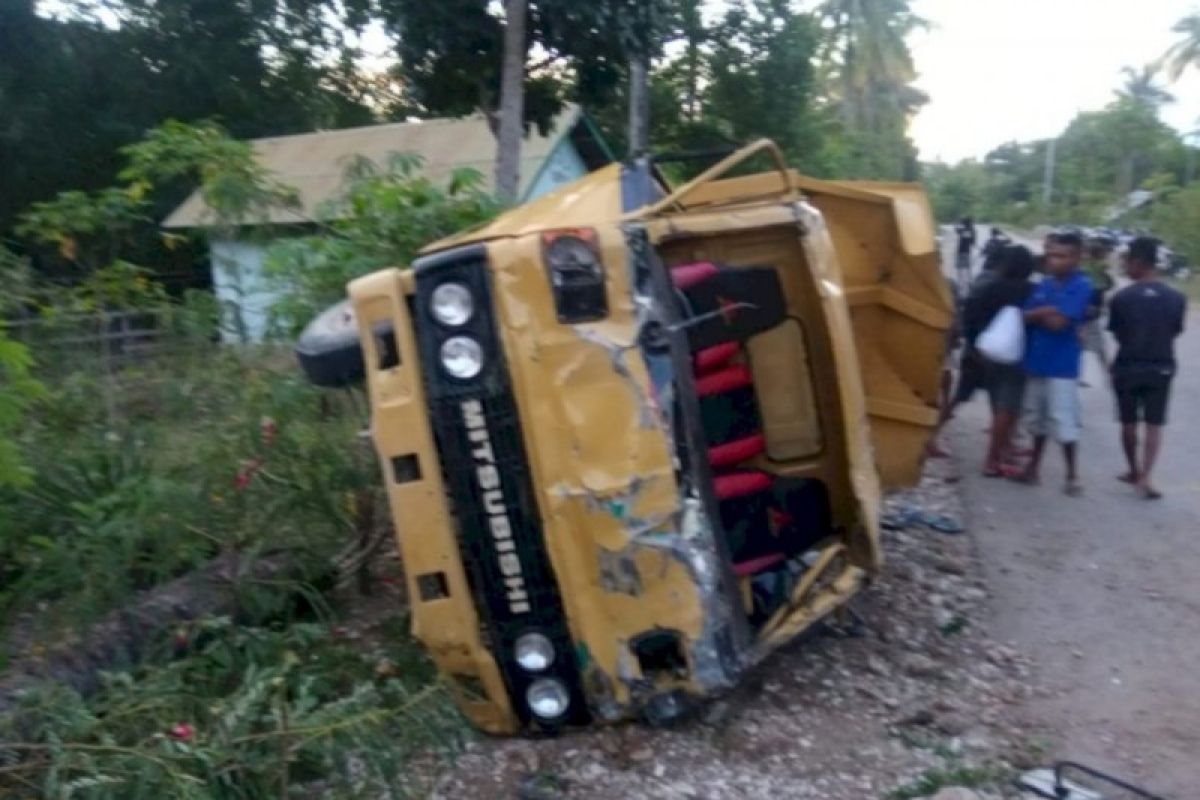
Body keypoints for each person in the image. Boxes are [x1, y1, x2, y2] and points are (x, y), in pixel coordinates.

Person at [1107, 237, 1186, 500]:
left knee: (1128, 422)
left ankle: (1133, 469)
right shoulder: (1176, 297)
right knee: (1154, 423)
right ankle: (1147, 476)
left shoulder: (1121, 298)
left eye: (1128, 261)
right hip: (1161, 365)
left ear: (1138, 263)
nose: (1126, 266)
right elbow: (1175, 330)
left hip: (1128, 364)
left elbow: (1118, 332)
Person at [1015, 231, 1094, 495]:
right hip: (1037, 360)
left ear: (1075, 258)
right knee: (1036, 418)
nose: (1053, 260)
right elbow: (1026, 316)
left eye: (1061, 256)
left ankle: (1073, 475)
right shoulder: (1046, 283)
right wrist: (1048, 312)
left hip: (1062, 365)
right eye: (1051, 254)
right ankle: (1033, 468)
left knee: (1063, 419)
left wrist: (1043, 313)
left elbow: (1059, 323)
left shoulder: (1082, 285)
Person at [963, 244, 1035, 476]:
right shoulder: (1033, 291)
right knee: (1009, 408)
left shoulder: (992, 288)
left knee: (998, 406)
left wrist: (974, 347)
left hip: (990, 354)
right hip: (1018, 356)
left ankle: (1002, 452)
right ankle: (992, 458)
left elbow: (972, 318)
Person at [1079, 239, 1115, 383]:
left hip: (1087, 311)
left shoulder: (1086, 268)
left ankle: (1080, 375)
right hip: (1090, 312)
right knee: (1099, 348)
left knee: (1083, 346)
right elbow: (1106, 286)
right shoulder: (1096, 268)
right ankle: (1108, 375)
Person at [954, 216, 977, 286]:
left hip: (960, 251)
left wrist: (958, 221)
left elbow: (955, 229)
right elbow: (973, 243)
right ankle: (969, 281)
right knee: (968, 268)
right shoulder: (972, 231)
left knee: (959, 268)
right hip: (967, 251)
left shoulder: (962, 230)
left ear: (963, 223)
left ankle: (959, 283)